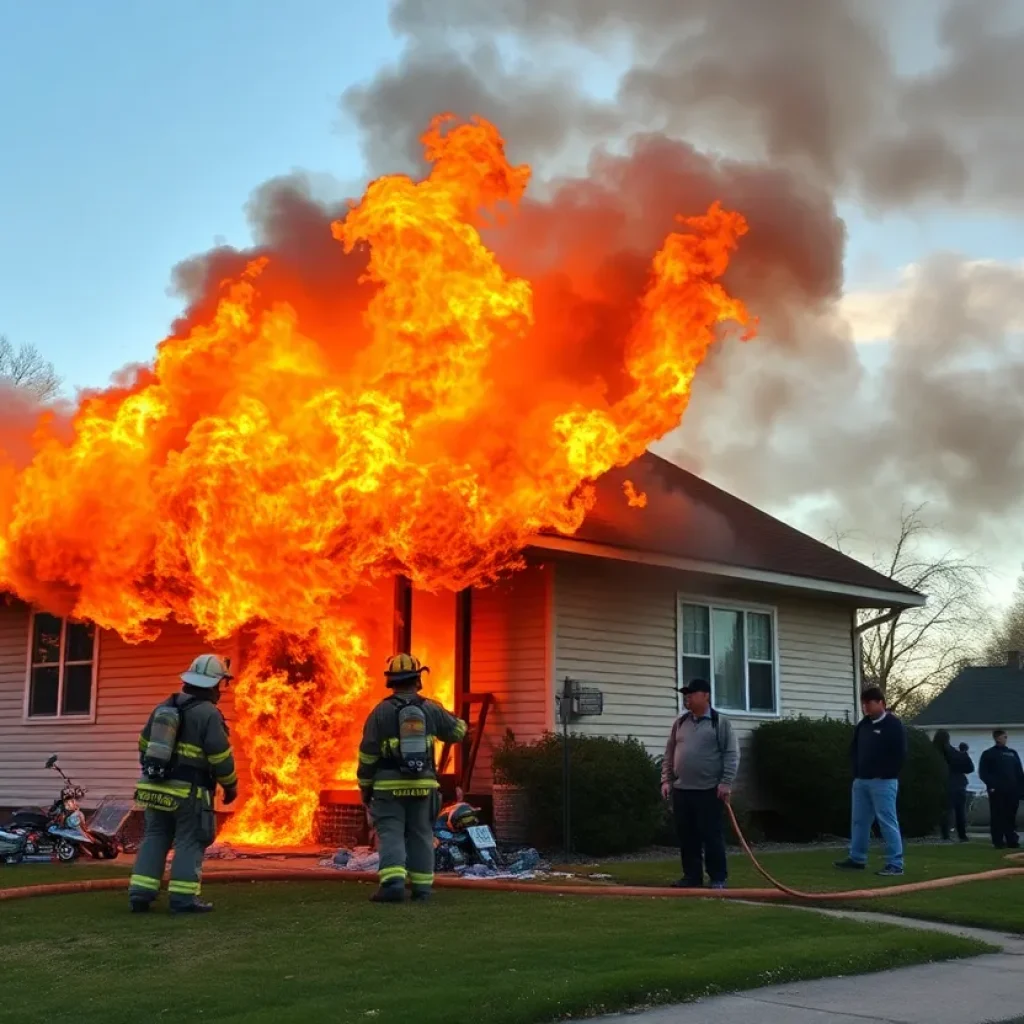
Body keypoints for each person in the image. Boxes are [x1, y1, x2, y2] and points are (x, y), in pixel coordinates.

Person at [128, 654, 238, 914]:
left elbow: (144, 745)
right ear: (212, 685)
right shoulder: (208, 713)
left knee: (156, 836)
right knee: (190, 839)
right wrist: (230, 786)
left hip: (155, 788)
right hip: (188, 792)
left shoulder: (164, 707)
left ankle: (140, 894)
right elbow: (220, 756)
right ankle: (183, 899)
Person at [357, 653, 468, 903]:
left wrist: (365, 787)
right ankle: (422, 889)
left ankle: (393, 885)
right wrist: (446, 714)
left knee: (392, 832)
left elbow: (367, 755)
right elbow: (459, 731)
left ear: (391, 682)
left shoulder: (380, 712)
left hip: (388, 787)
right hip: (424, 785)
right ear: (417, 679)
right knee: (421, 834)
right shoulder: (430, 708)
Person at [660, 678, 740, 890]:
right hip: (682, 790)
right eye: (686, 694)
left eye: (692, 693)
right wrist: (666, 780)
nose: (687, 697)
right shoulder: (680, 723)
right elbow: (669, 753)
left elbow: (731, 754)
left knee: (711, 836)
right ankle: (691, 877)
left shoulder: (719, 722)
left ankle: (718, 878)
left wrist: (725, 783)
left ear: (705, 695)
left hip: (709, 790)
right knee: (687, 837)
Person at [835, 686, 908, 877]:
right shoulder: (863, 725)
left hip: (883, 782)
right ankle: (857, 858)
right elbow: (855, 749)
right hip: (861, 781)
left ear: (881, 703)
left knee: (887, 821)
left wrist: (885, 773)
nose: (865, 707)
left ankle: (895, 863)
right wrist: (857, 772)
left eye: (869, 703)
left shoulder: (893, 725)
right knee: (859, 821)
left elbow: (900, 754)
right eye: (864, 703)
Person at [978, 730, 1024, 849]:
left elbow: (1019, 772)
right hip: (997, 791)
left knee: (1010, 816)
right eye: (1004, 737)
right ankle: (998, 841)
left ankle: (1011, 840)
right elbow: (983, 772)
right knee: (998, 816)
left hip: (1012, 791)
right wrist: (991, 786)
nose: (1006, 739)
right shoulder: (989, 754)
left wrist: (1021, 789)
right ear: (997, 738)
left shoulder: (1012, 753)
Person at [932, 730, 973, 842]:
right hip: (959, 784)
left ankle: (945, 834)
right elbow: (969, 768)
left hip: (945, 784)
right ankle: (962, 835)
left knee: (946, 811)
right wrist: (964, 752)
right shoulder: (955, 752)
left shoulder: (935, 753)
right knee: (960, 811)